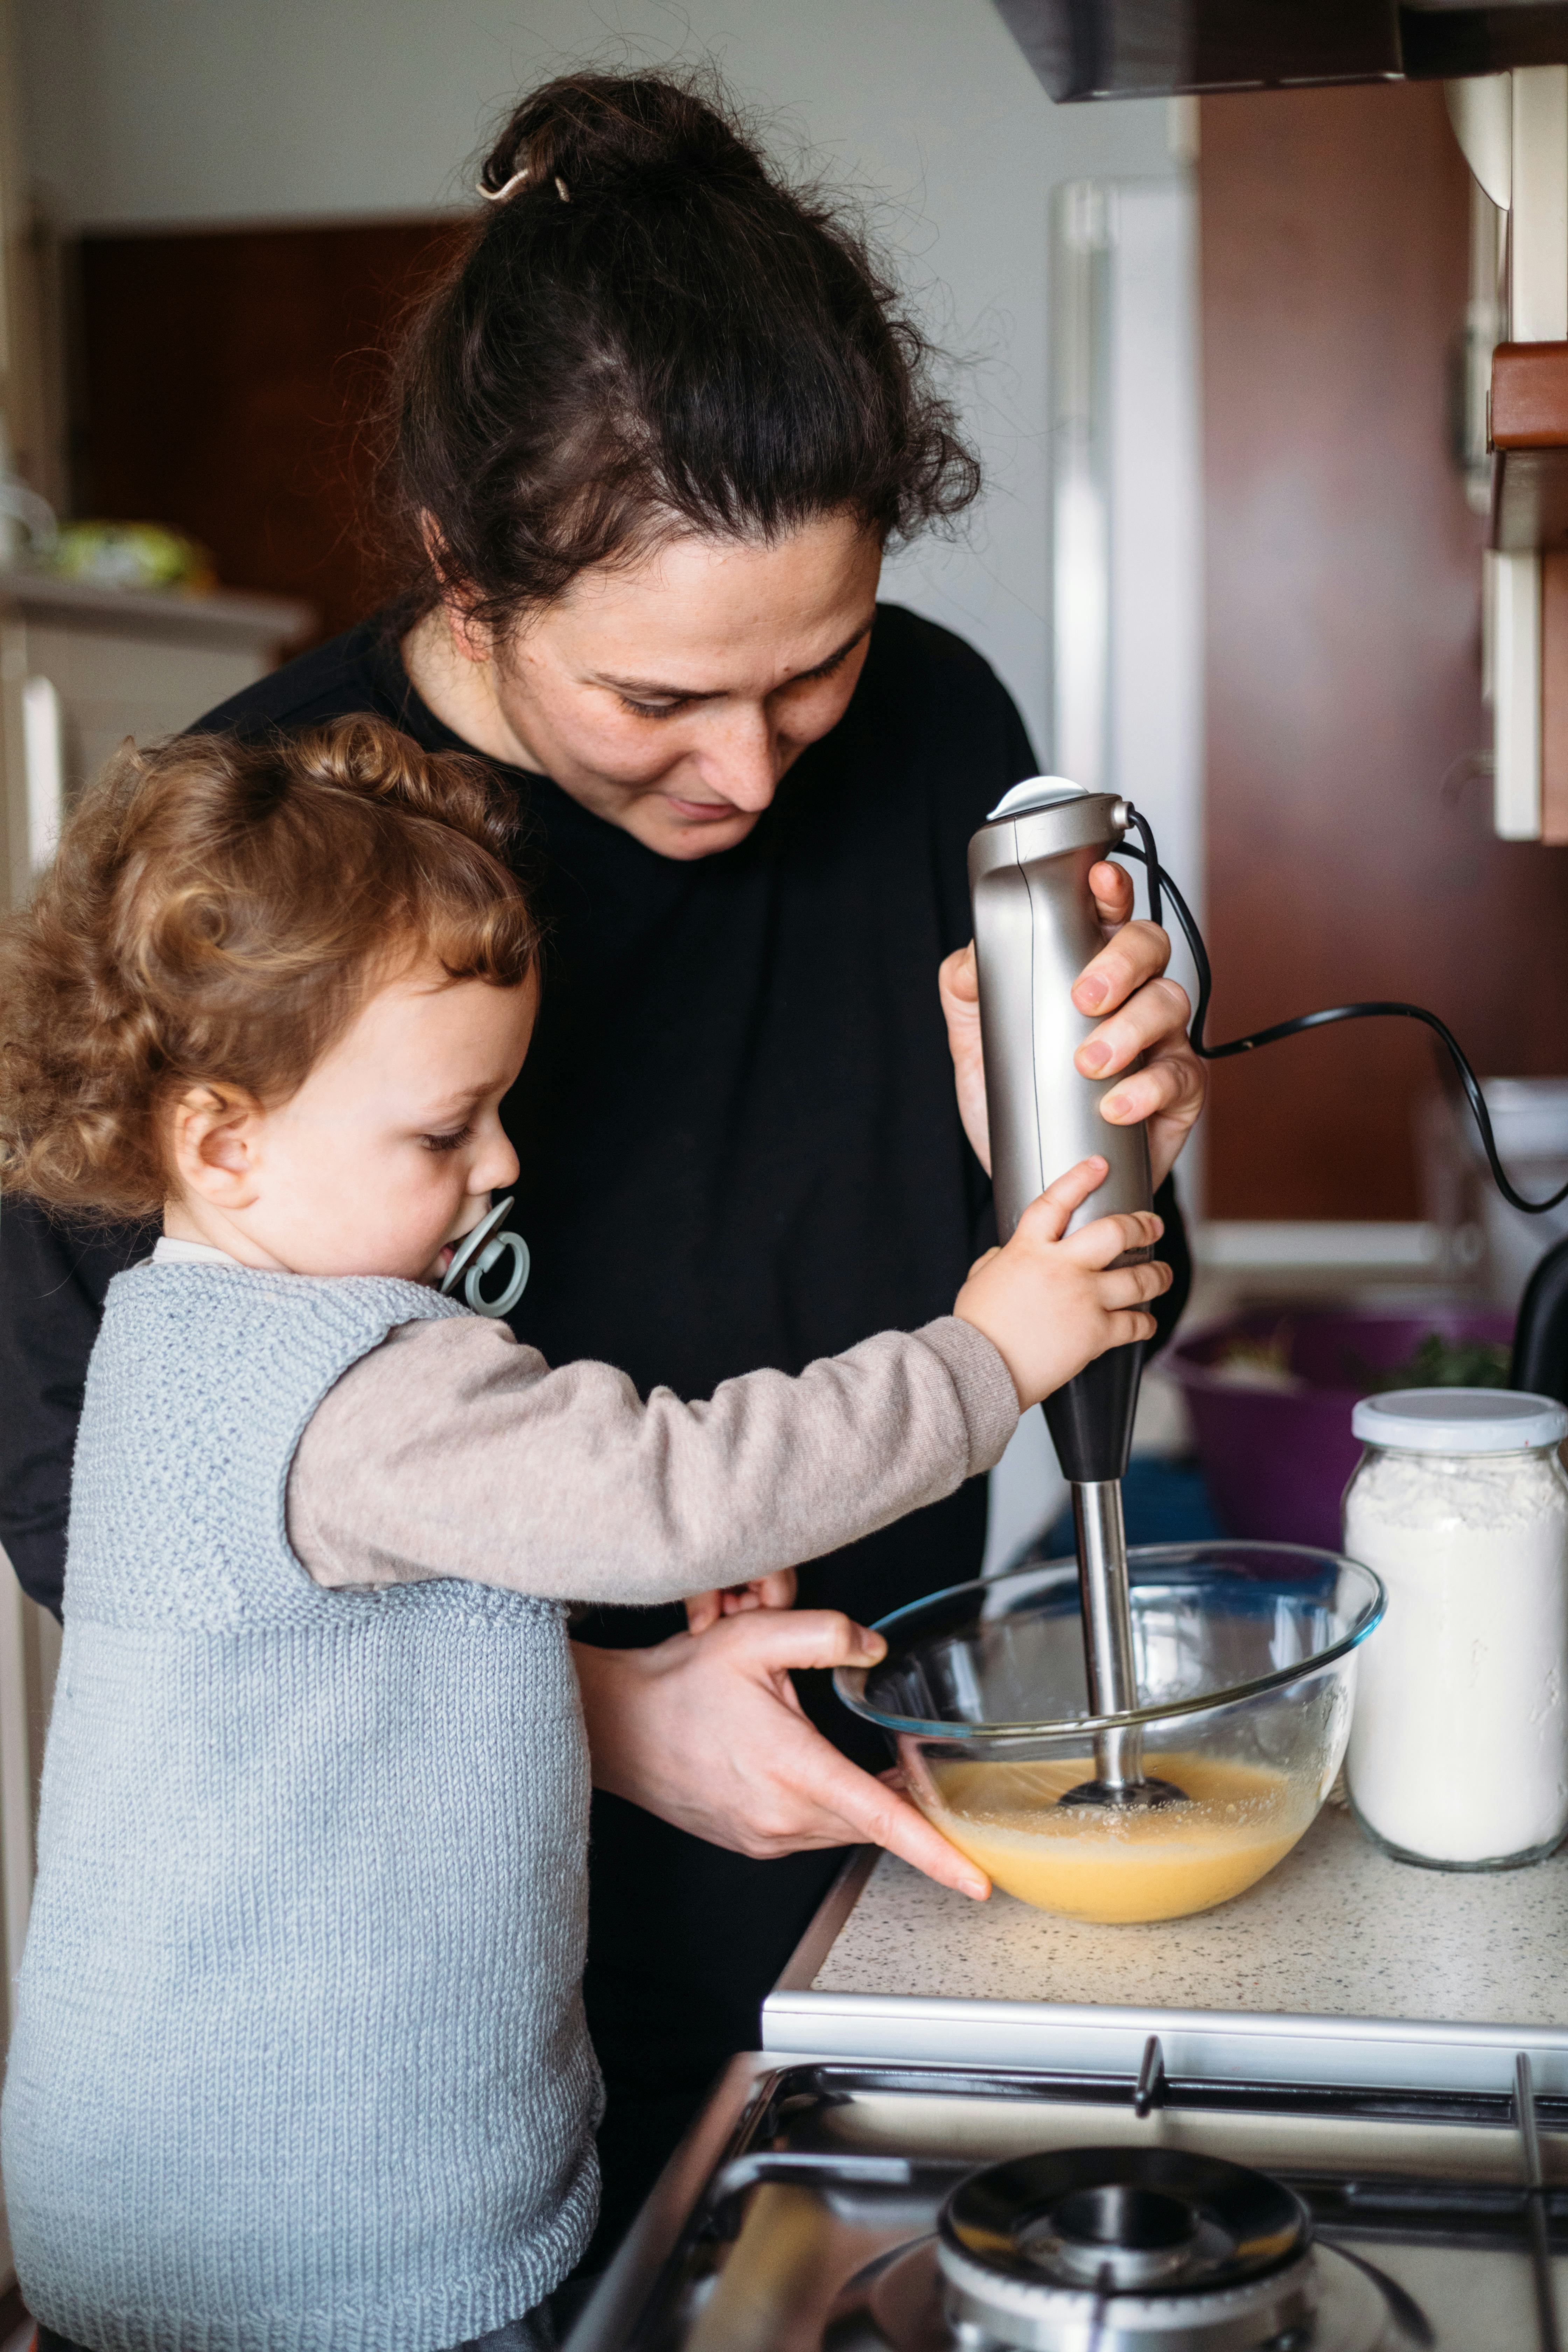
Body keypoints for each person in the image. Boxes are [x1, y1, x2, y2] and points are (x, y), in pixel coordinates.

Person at [0, 70, 1205, 2254]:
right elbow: (83, 1477)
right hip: (396, 1984)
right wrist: (601, 1718)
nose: (746, 768)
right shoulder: (252, 864)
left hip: (869, 1826)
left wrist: (1101, 1156)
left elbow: (1092, 1314)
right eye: (655, 703)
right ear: (468, 578)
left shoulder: (943, 737)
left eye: (812, 670)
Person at [0, 716, 1169, 2352]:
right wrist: (991, 1353)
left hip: (184, 2205)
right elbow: (661, 1483)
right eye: (441, 1132)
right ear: (221, 1142)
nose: (502, 1163)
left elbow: (431, 1589)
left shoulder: (178, 1338)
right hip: (319, 2254)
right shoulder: (348, 1385)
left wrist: (650, 1587)